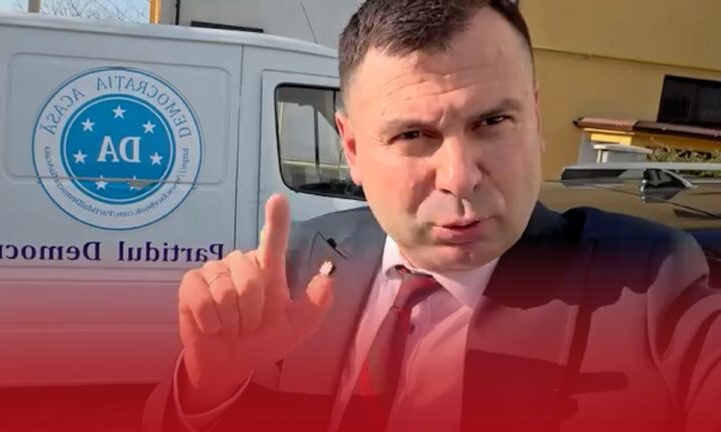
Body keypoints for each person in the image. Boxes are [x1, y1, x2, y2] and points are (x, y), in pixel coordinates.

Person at [143, 1, 721, 431]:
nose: (460, 176)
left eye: (492, 123)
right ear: (352, 149)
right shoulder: (298, 263)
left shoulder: (647, 281)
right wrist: (208, 386)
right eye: (414, 135)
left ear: (536, 119)